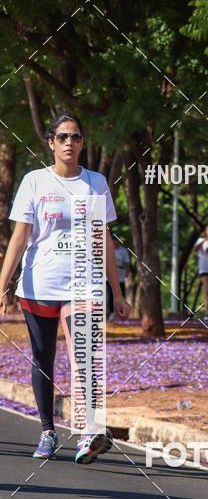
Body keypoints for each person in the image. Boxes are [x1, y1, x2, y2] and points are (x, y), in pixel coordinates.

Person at [0, 114, 130, 462]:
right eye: (62, 136)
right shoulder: (34, 182)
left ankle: (88, 433)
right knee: (43, 358)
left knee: (85, 356)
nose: (69, 142)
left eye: (76, 136)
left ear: (82, 142)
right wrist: (3, 285)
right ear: (51, 143)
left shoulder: (96, 183)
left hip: (84, 284)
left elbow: (105, 239)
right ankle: (46, 430)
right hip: (39, 284)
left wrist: (116, 292)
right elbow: (19, 237)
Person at [106, 233, 131, 321]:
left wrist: (126, 272)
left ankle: (121, 314)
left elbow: (127, 263)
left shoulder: (123, 251)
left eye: (117, 240)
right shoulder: (108, 250)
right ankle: (112, 313)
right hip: (109, 277)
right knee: (110, 296)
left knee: (121, 295)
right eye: (114, 240)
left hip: (120, 276)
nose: (115, 242)